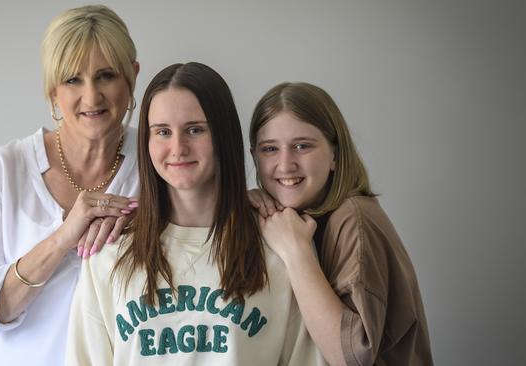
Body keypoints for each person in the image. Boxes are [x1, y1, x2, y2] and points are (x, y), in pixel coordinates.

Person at [65, 63, 326, 365]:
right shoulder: (110, 250)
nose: (178, 148)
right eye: (162, 132)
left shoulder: (281, 246)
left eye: (195, 129)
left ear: (223, 135)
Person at [0, 5, 141, 365]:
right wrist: (62, 238)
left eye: (106, 75)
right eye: (73, 80)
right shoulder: (2, 171)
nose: (92, 96)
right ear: (53, 90)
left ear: (132, 76)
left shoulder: (159, 161)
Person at [249, 82, 434, 365]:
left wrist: (295, 251)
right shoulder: (298, 215)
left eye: (302, 146)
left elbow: (352, 357)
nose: (285, 164)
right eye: (270, 149)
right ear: (254, 156)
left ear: (334, 154)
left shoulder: (353, 219)